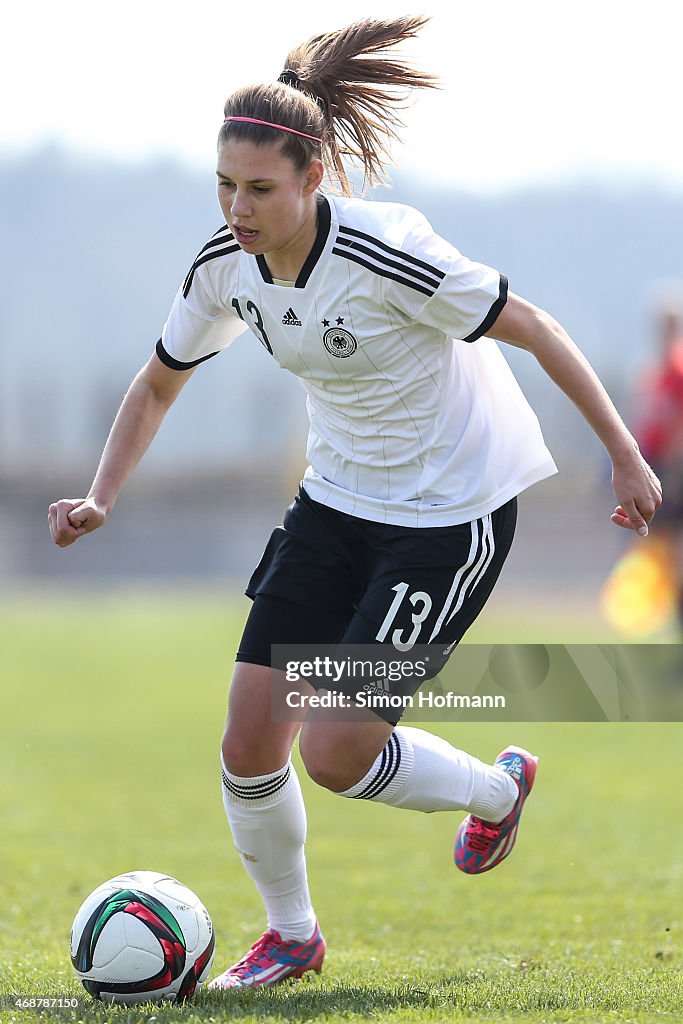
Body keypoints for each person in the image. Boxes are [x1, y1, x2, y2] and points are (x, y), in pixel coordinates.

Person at [48, 15, 661, 990]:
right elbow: (159, 379)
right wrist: (99, 495)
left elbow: (533, 326)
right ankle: (291, 935)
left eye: (258, 189)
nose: (238, 208)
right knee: (250, 738)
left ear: (312, 175)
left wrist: (625, 457)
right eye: (224, 186)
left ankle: (496, 789)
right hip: (335, 503)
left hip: (448, 510)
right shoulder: (221, 265)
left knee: (333, 749)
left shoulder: (387, 253)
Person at [631, 301, 683, 634]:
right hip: (657, 467)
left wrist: (674, 471)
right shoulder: (653, 373)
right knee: (666, 559)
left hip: (675, 471)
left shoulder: (677, 370)